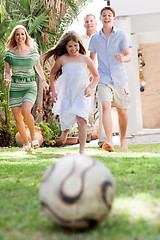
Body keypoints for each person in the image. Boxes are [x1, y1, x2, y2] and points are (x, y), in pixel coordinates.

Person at [42, 31, 99, 154]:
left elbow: (96, 76)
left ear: (79, 44)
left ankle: (82, 150)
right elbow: (52, 74)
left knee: (81, 119)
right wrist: (54, 91)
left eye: (75, 45)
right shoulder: (62, 59)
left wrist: (90, 87)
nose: (73, 49)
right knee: (67, 114)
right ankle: (64, 134)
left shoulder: (85, 59)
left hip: (82, 93)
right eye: (70, 46)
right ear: (65, 47)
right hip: (67, 92)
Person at [88, 6, 131, 152]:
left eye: (109, 15)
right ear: (100, 19)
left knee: (122, 110)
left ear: (114, 18)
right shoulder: (95, 38)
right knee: (105, 107)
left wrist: (122, 58)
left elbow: (128, 55)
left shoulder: (122, 35)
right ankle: (109, 142)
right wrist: (92, 72)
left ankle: (123, 140)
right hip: (103, 78)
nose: (106, 17)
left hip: (119, 77)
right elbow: (92, 58)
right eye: (104, 15)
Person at [3, 25, 49, 151]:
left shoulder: (32, 51)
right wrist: (6, 78)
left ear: (26, 36)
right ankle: (26, 143)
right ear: (14, 37)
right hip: (15, 86)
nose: (20, 37)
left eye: (22, 34)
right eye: (17, 34)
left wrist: (44, 81)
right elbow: (7, 71)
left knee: (25, 110)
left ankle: (33, 137)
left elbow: (38, 67)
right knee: (17, 117)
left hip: (29, 85)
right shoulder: (9, 54)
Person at [80, 14, 107, 145]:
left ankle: (103, 139)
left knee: (103, 106)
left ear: (96, 23)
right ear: (84, 24)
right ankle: (89, 131)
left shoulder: (102, 37)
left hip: (102, 76)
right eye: (87, 21)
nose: (89, 23)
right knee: (88, 108)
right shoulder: (80, 39)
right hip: (86, 78)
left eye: (91, 21)